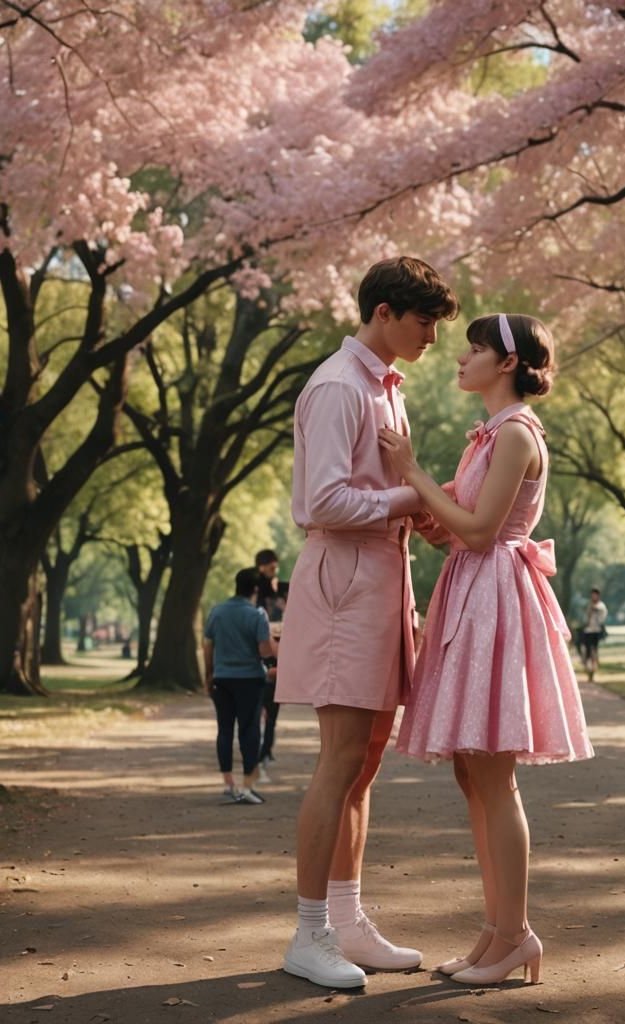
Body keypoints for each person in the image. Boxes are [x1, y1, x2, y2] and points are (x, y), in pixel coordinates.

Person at [379, 312, 595, 986]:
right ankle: (496, 930)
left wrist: (412, 472)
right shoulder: (488, 437)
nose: (460, 358)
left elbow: (477, 533)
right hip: (472, 592)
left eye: (474, 349)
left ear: (506, 363)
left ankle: (515, 935)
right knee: (471, 772)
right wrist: (419, 501)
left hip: (496, 597)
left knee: (494, 776)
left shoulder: (516, 435)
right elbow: (454, 528)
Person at [275, 257, 459, 989]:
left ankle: (346, 921)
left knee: (366, 762)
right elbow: (324, 502)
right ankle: (308, 931)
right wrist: (408, 499)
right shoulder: (336, 387)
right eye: (425, 323)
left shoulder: (384, 388)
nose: (434, 338)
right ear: (383, 312)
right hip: (346, 582)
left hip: (382, 581)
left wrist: (421, 512)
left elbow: (378, 493)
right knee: (340, 759)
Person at [203, 567, 277, 805]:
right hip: (250, 680)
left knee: (224, 730)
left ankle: (229, 784)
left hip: (222, 679)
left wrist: (209, 675)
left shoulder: (217, 612)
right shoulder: (257, 614)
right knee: (249, 730)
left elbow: (208, 645)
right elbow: (264, 650)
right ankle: (247, 785)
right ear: (255, 589)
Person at [254, 548, 288, 778]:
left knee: (273, 705)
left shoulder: (284, 588)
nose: (273, 572)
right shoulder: (255, 589)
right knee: (260, 704)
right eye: (270, 567)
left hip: (281, 649)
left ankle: (266, 748)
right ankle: (259, 749)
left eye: (275, 567)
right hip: (261, 649)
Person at [580, 587, 608, 682]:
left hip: (595, 632)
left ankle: (593, 671)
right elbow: (584, 618)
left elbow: (602, 619)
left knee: (593, 651)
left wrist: (594, 611)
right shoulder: (588, 605)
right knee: (585, 651)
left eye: (595, 594)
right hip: (587, 631)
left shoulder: (601, 606)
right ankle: (589, 671)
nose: (593, 596)